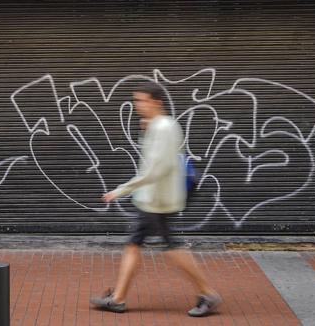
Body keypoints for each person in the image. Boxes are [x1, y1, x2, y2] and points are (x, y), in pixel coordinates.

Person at [90, 81, 222, 317]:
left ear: (157, 102)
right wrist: (145, 132)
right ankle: (118, 298)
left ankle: (208, 293)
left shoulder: (164, 128)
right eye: (135, 100)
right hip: (150, 199)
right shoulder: (156, 126)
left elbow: (154, 171)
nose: (137, 105)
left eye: (141, 100)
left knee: (171, 247)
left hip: (159, 200)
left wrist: (121, 190)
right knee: (135, 244)